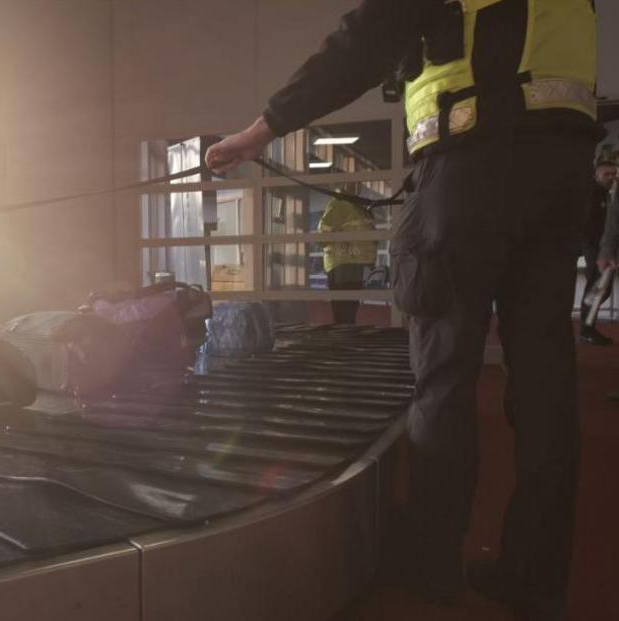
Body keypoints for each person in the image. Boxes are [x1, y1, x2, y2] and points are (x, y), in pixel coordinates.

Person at [204, 1, 600, 619]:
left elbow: (363, 41)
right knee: (547, 384)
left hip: (469, 165)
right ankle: (537, 575)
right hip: (562, 174)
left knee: (443, 379)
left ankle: (432, 565)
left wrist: (262, 129)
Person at [319, 190, 377, 324]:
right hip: (359, 265)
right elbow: (372, 238)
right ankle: (347, 333)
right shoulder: (362, 207)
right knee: (350, 309)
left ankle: (341, 338)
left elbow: (322, 237)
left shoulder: (338, 204)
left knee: (341, 311)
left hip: (340, 264)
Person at [578, 159, 618, 344]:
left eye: (613, 173)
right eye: (606, 174)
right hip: (592, 244)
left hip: (601, 246)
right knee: (599, 285)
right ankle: (586, 329)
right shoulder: (592, 194)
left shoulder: (609, 194)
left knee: (603, 288)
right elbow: (588, 224)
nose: (611, 177)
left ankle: (587, 326)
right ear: (596, 175)